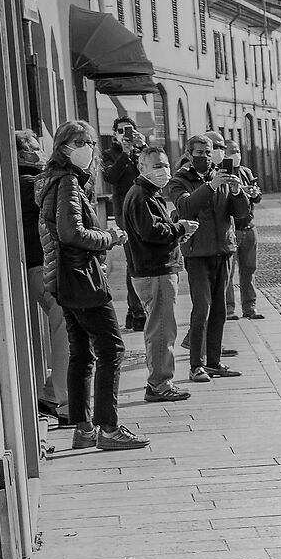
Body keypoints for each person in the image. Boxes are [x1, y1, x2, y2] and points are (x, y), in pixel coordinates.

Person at [36, 120, 145, 450]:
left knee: (81, 353)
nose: (87, 148)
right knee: (112, 349)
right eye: (78, 142)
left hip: (65, 279)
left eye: (90, 142)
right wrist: (108, 237)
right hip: (81, 277)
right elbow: (71, 233)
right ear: (62, 147)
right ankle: (108, 428)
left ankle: (83, 429)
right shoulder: (68, 181)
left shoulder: (58, 179)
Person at [119, 142, 199, 404]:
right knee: (162, 329)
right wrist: (179, 228)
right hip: (154, 271)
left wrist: (175, 229)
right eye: (157, 166)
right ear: (142, 167)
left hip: (156, 268)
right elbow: (151, 232)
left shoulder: (148, 194)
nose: (163, 170)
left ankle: (160, 381)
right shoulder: (141, 195)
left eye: (165, 165)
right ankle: (159, 383)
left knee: (161, 327)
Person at [167, 141, 240, 382]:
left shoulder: (221, 177)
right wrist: (210, 186)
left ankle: (214, 362)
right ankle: (196, 365)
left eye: (209, 153)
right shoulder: (179, 181)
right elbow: (186, 206)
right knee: (202, 308)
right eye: (200, 153)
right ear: (189, 154)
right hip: (198, 253)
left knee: (219, 309)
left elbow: (240, 214)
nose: (206, 157)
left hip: (223, 250)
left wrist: (237, 192)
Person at [15, 131, 65, 418]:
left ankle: (52, 393)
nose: (40, 151)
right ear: (22, 154)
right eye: (34, 147)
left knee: (63, 329)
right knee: (65, 329)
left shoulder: (29, 182)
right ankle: (62, 398)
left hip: (39, 266)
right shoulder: (29, 183)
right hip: (43, 266)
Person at [102, 122, 147, 330]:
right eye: (121, 131)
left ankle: (134, 309)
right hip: (124, 211)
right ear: (115, 134)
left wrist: (143, 147)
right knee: (132, 259)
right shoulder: (110, 154)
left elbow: (154, 170)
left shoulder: (141, 151)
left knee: (143, 258)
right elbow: (110, 177)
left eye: (129, 130)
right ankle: (137, 311)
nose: (125, 134)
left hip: (145, 208)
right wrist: (125, 153)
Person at [217, 150, 264, 320]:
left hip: (249, 227)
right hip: (232, 229)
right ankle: (229, 308)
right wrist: (241, 190)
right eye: (232, 151)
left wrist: (255, 193)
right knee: (228, 272)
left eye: (238, 151)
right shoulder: (220, 173)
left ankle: (250, 307)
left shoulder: (246, 172)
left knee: (249, 269)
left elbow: (257, 197)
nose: (236, 154)